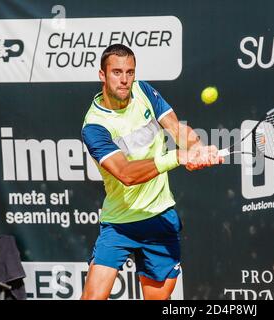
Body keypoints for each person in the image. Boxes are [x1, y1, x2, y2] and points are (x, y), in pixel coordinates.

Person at [80, 44, 223, 300]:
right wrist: (178, 156)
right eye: (116, 72)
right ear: (102, 75)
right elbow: (125, 173)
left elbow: (177, 130)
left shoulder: (143, 90)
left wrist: (197, 149)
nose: (124, 80)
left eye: (130, 72)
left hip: (159, 216)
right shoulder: (94, 126)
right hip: (119, 223)